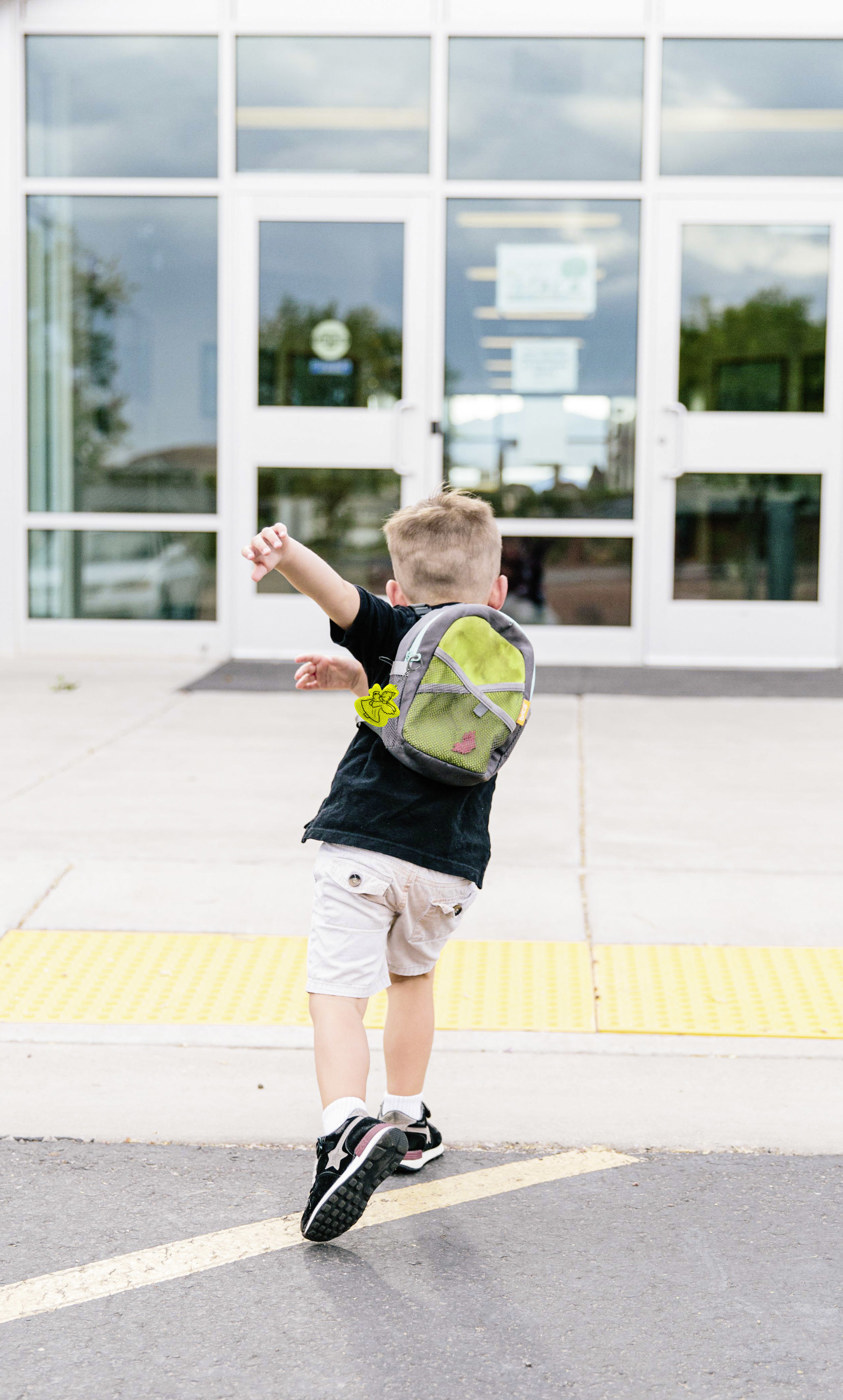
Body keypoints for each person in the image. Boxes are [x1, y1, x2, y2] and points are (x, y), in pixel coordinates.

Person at [241, 490, 509, 1243]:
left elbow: (336, 593)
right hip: (449, 865)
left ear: (394, 593)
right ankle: (406, 1117)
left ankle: (343, 1129)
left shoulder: (398, 625)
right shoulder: (506, 655)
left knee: (336, 993)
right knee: (410, 980)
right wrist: (361, 688)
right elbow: (428, 729)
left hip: (363, 847)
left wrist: (285, 553)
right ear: (498, 592)